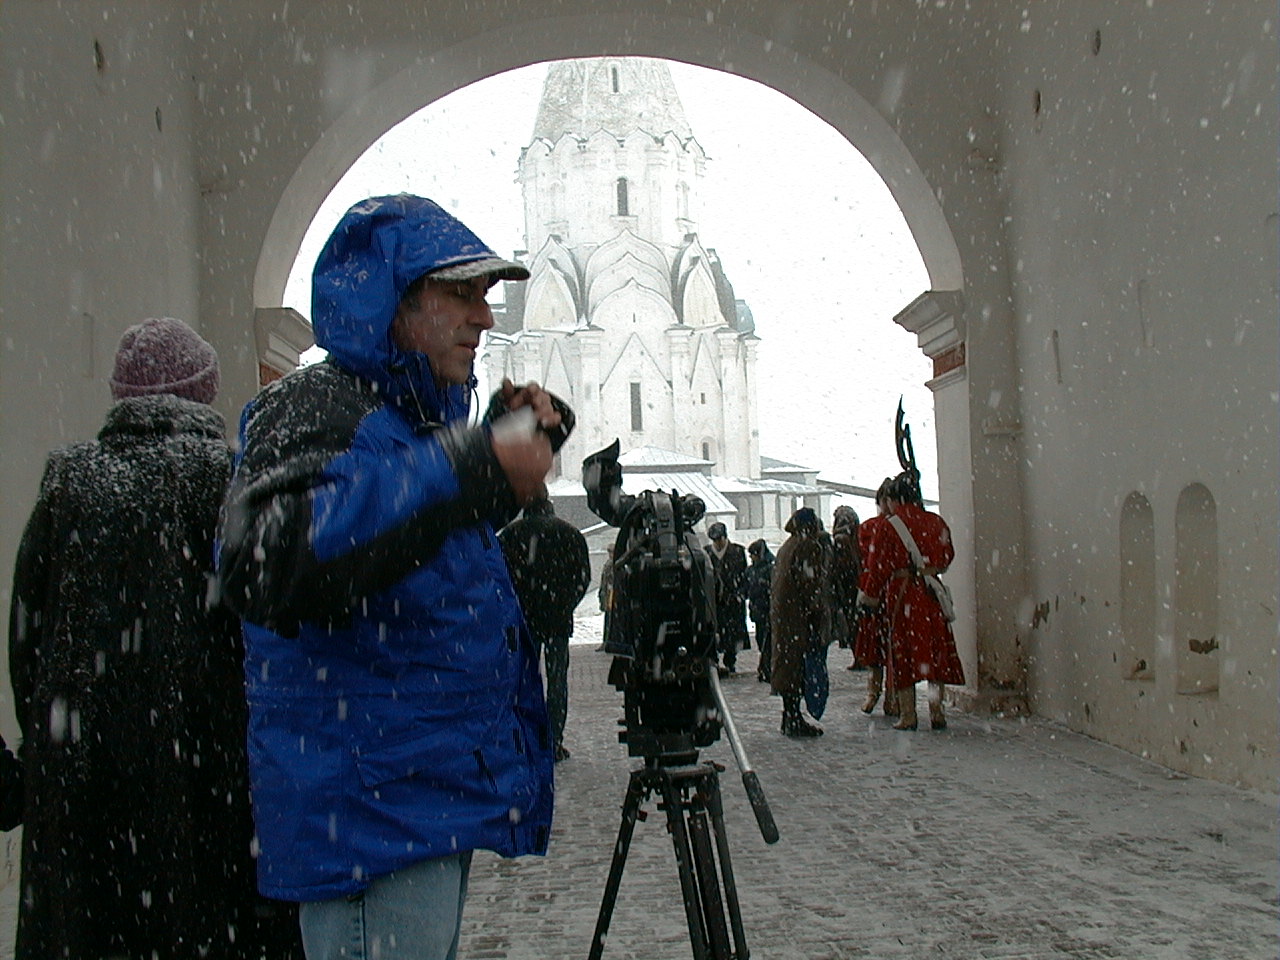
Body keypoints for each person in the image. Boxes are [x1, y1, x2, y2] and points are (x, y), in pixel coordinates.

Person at [217, 195, 562, 960]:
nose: (486, 318)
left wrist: (495, 466)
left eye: (487, 296)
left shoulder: (405, 423)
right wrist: (470, 464)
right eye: (462, 294)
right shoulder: (319, 408)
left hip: (414, 796)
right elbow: (271, 559)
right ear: (393, 303)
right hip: (371, 811)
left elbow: (404, 554)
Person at [9, 318, 301, 960]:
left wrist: (56, 731)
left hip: (86, 778)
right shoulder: (233, 482)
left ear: (121, 398)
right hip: (213, 773)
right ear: (205, 394)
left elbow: (28, 640)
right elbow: (273, 632)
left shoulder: (72, 482)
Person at [858, 473, 965, 730]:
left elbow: (878, 566)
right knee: (935, 651)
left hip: (902, 594)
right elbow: (947, 556)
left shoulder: (889, 525)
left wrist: (869, 596)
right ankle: (936, 711)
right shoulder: (935, 521)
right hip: (931, 592)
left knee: (904, 653)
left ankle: (908, 715)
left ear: (895, 498)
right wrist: (928, 568)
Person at [499, 494, 592, 762]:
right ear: (549, 505)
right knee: (557, 682)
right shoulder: (570, 534)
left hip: (525, 620)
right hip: (557, 620)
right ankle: (553, 740)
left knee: (524, 682)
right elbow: (583, 576)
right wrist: (565, 604)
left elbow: (500, 578)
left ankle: (526, 741)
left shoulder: (510, 535)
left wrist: (518, 606)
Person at [769, 507, 831, 737]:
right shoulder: (807, 546)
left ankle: (789, 715)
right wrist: (815, 613)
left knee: (787, 665)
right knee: (796, 666)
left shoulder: (788, 545)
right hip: (797, 616)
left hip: (784, 615)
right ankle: (793, 717)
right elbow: (810, 584)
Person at [854, 479, 899, 717]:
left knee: (875, 648)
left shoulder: (869, 528)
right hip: (895, 593)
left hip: (875, 592)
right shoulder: (897, 526)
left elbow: (867, 562)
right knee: (892, 648)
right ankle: (890, 697)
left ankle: (874, 693)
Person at [705, 521, 749, 676]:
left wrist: (741, 594)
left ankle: (730, 661)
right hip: (714, 601)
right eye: (714, 540)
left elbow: (744, 576)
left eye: (719, 540)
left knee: (732, 632)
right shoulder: (707, 554)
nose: (717, 544)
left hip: (732, 601)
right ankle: (715, 661)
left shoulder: (737, 552)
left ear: (724, 537)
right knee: (713, 631)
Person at [829, 505, 862, 667]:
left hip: (847, 586)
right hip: (857, 585)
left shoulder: (841, 539)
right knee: (858, 622)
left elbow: (840, 566)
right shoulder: (858, 537)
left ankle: (859, 656)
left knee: (852, 623)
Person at [743, 539, 775, 683]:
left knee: (768, 641)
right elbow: (746, 588)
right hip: (757, 610)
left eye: (753, 555)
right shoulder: (750, 571)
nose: (752, 558)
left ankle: (767, 668)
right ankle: (765, 667)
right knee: (761, 639)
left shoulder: (769, 568)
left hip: (767, 610)